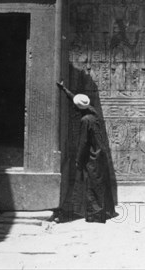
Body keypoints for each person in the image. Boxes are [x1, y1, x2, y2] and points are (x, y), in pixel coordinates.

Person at [55, 80, 116, 223]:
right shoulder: (93, 111)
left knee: (92, 185)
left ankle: (96, 214)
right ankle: (105, 211)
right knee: (100, 184)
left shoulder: (85, 120)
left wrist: (78, 161)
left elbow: (83, 143)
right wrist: (65, 90)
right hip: (100, 154)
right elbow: (78, 101)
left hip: (93, 156)